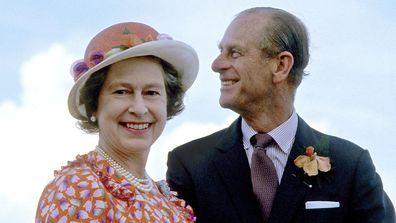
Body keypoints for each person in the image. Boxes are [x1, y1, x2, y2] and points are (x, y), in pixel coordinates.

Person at [166, 7, 395, 223]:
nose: (216, 65)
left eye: (234, 53)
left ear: (281, 65)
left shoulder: (352, 166)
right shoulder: (189, 164)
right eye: (221, 51)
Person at [36, 22, 199, 222]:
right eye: (122, 92)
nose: (139, 108)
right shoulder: (77, 189)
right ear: (94, 104)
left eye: (151, 93)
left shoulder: (166, 200)